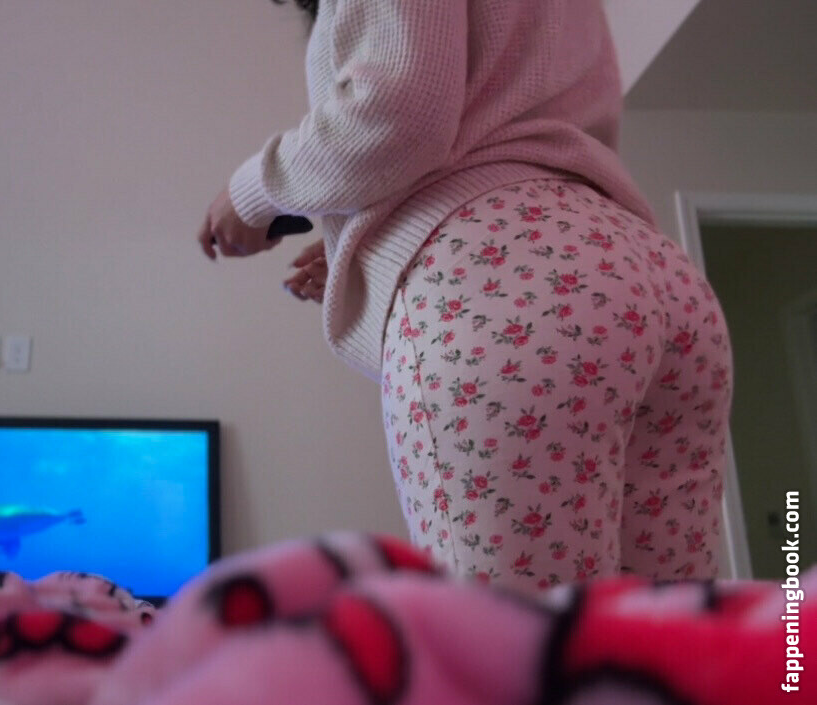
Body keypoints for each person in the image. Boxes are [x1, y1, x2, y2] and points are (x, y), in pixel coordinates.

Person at [196, 0, 732, 591]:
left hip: (512, 293)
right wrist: (381, 244)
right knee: (667, 640)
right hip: (649, 276)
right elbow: (524, 131)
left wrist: (251, 192)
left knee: (511, 643)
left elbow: (399, 113)